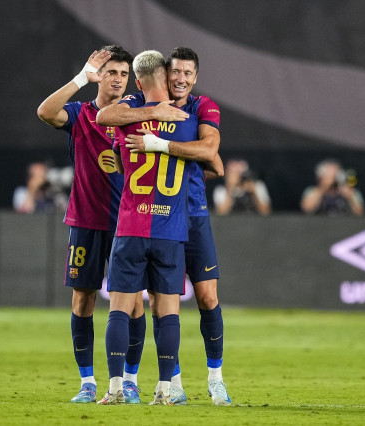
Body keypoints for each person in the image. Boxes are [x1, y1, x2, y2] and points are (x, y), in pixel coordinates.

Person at [97, 46, 231, 406]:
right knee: (161, 303)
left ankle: (215, 378)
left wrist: (158, 144)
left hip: (191, 213)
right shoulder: (143, 104)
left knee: (206, 297)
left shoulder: (201, 107)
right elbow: (212, 161)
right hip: (164, 219)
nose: (182, 78)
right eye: (177, 72)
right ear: (166, 74)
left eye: (189, 73)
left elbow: (212, 155)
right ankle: (170, 383)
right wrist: (154, 113)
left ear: (196, 77)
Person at [37, 46, 150, 404]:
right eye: (111, 72)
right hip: (85, 220)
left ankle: (129, 381)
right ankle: (87, 382)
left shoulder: (136, 115)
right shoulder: (80, 114)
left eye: (123, 73)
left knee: (132, 303)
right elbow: (45, 112)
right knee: (83, 299)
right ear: (98, 75)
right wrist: (78, 79)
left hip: (127, 224)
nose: (117, 79)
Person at [300, 158, 365, 216]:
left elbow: (360, 214)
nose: (335, 177)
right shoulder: (312, 191)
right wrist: (324, 187)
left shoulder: (350, 192)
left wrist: (350, 197)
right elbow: (307, 209)